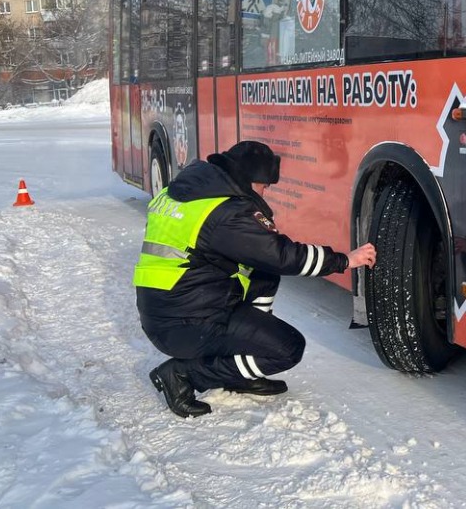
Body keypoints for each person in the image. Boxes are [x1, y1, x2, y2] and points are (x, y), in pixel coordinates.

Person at [133, 140, 376, 418]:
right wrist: (345, 260)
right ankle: (182, 375)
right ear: (249, 180)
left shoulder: (190, 190)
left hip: (170, 308)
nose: (266, 192)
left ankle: (239, 369)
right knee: (287, 348)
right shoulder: (225, 212)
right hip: (185, 322)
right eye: (264, 186)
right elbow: (283, 255)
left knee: (263, 268)